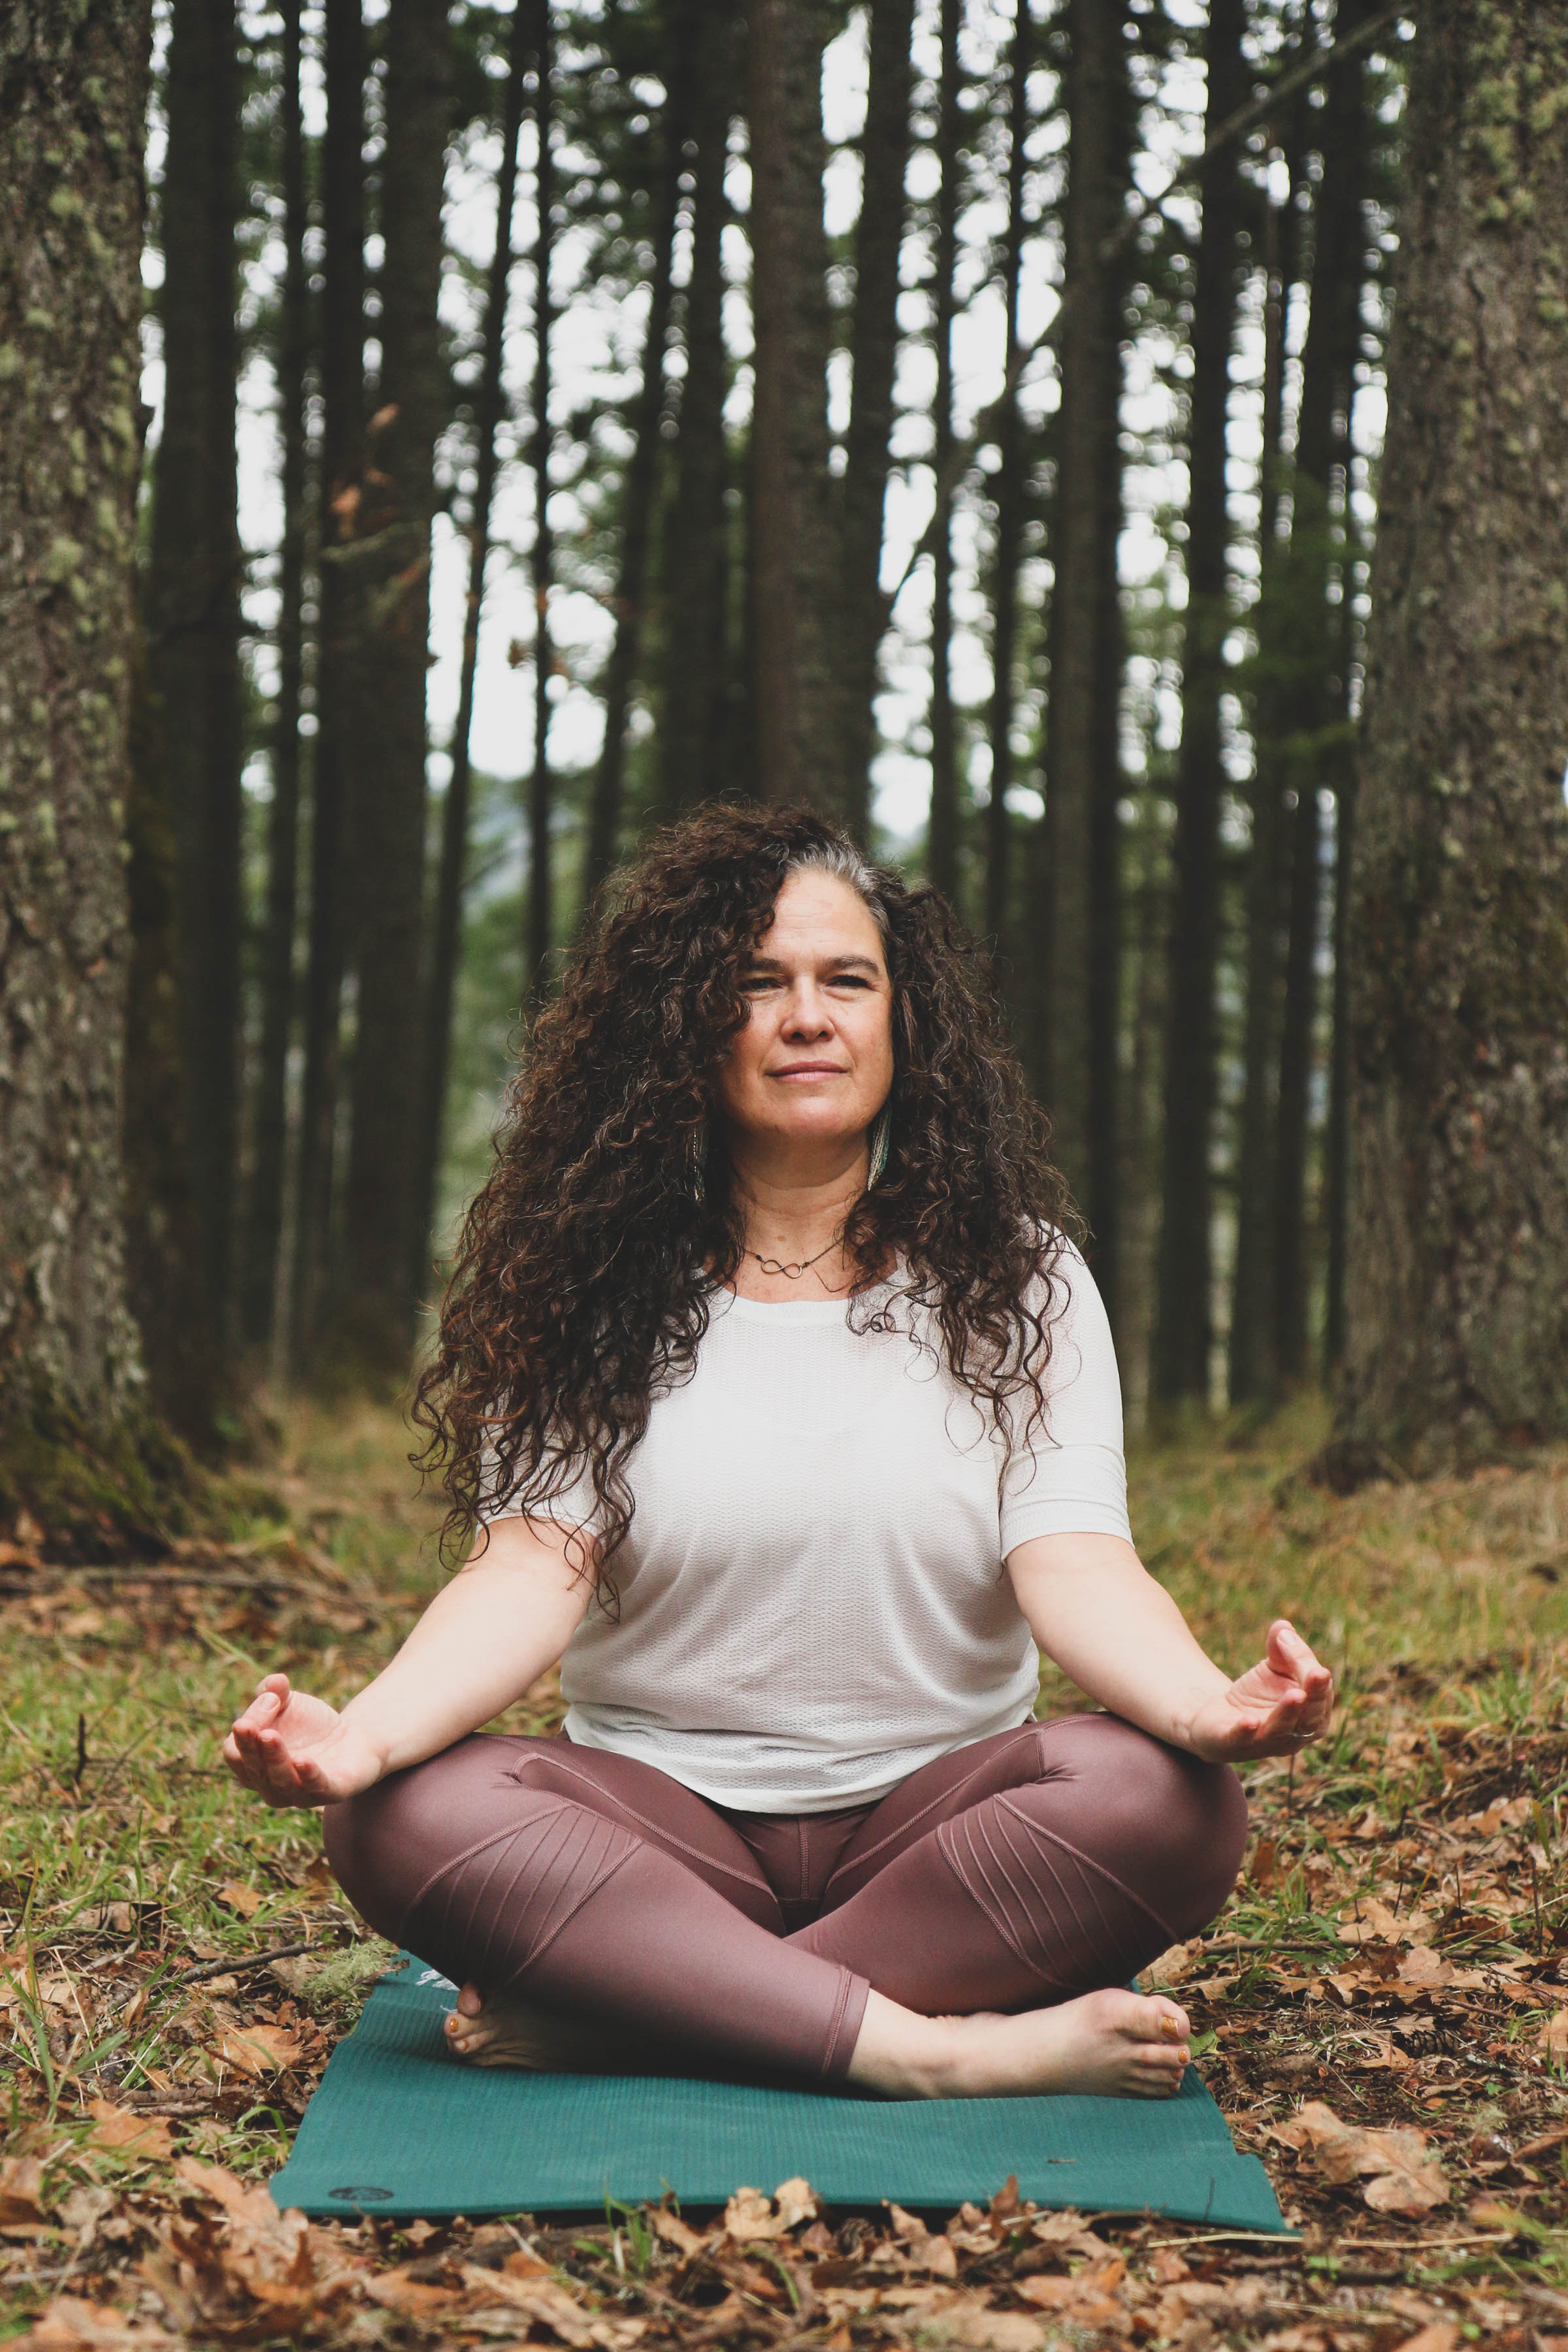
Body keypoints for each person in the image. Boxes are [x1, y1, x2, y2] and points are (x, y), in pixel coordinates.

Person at [224, 806, 1332, 2102]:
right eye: (758, 985)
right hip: (661, 1829)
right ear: (690, 1029)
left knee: (1175, 1800)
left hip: (940, 1828)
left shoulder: (1021, 1276)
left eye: (845, 980)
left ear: (901, 1019)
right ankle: (920, 2050)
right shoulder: (587, 1282)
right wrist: (361, 1739)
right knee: (397, 1811)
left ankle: (650, 2011)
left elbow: (1076, 1559)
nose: (808, 1016)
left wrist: (1205, 1706)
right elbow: (527, 1568)